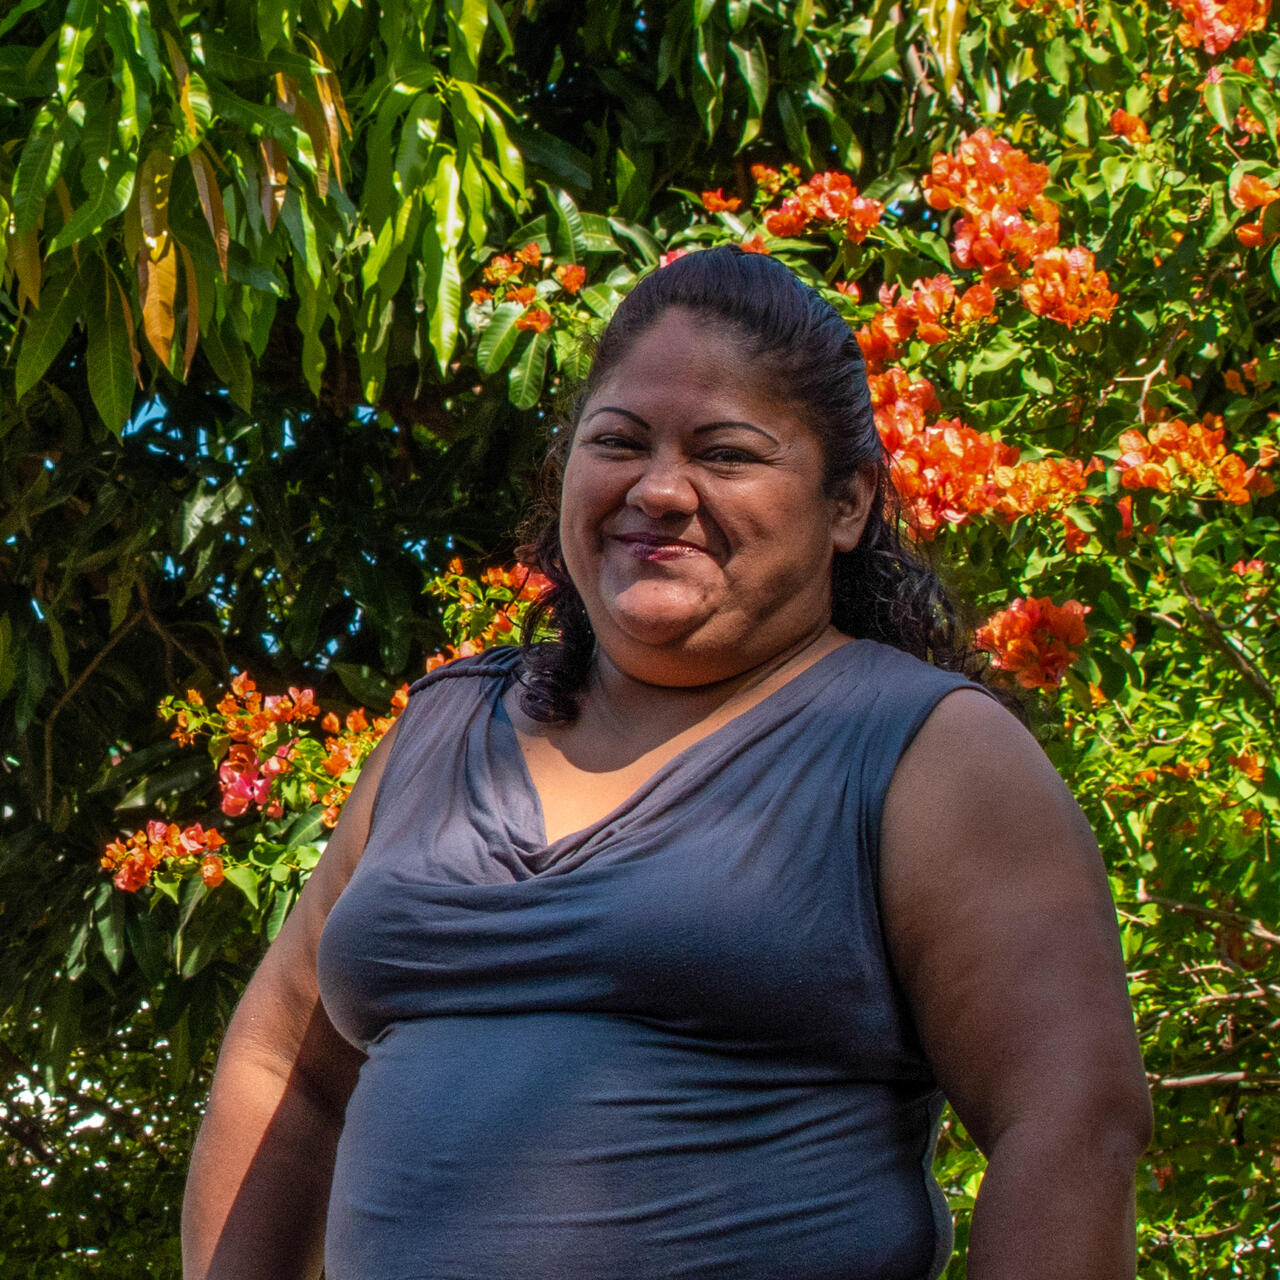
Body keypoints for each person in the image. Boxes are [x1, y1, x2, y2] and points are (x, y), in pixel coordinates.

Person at [182, 246, 1152, 1280]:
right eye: (617, 441)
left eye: (725, 453)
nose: (658, 488)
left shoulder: (923, 748)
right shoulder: (444, 728)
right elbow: (283, 1064)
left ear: (846, 502)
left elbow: (1068, 1120)